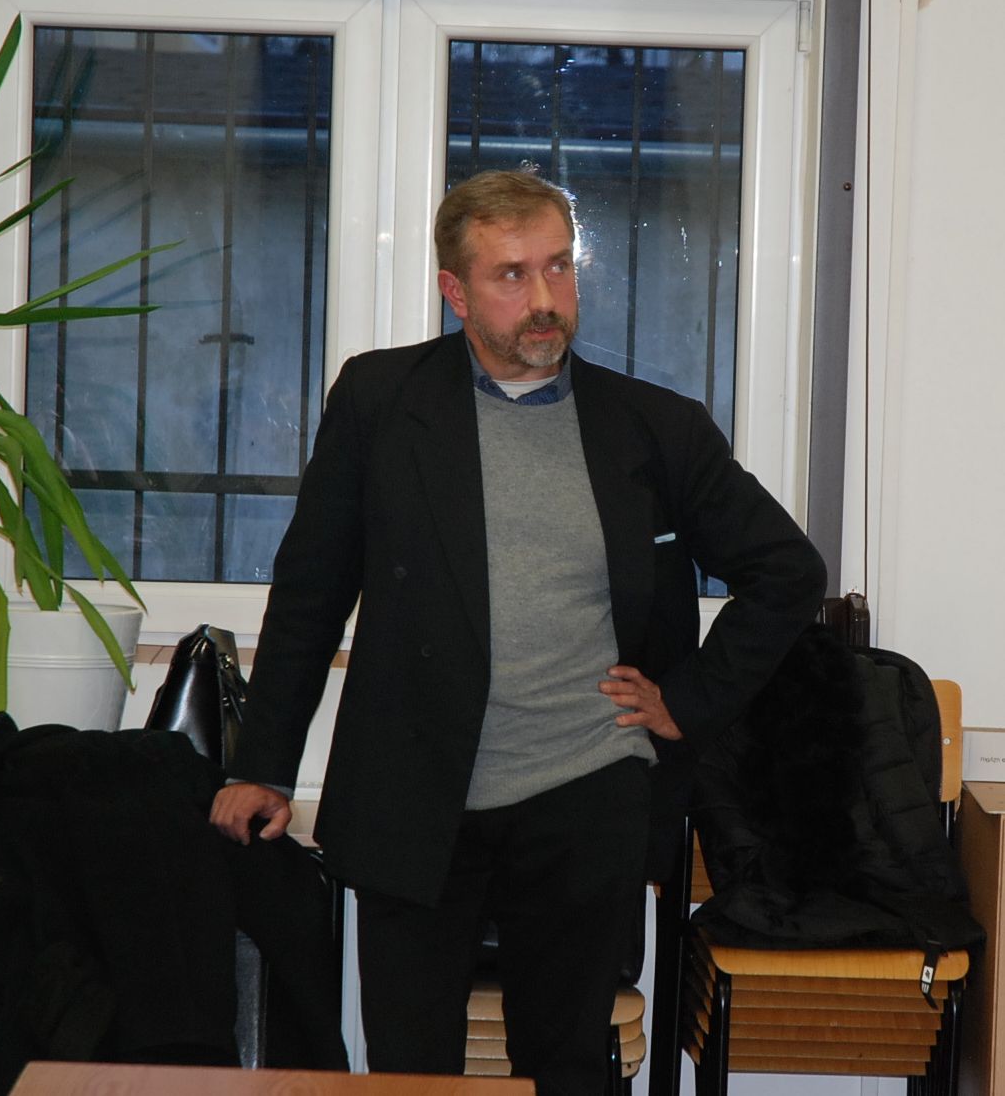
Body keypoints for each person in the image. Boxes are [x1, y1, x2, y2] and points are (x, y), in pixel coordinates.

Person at [210, 168, 826, 1094]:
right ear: (455, 292)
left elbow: (788, 571)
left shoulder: (655, 427)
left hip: (586, 791)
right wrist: (261, 764)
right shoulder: (381, 402)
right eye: (511, 274)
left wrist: (688, 699)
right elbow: (311, 592)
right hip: (414, 788)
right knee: (410, 1072)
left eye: (558, 267)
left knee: (565, 1068)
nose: (544, 298)